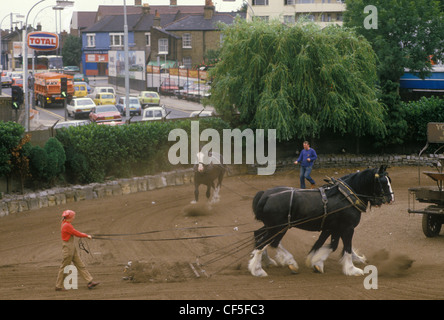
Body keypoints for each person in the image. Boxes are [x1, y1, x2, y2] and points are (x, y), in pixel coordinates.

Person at [55, 210, 99, 291]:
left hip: (71, 247)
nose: (74, 218)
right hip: (68, 248)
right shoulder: (66, 225)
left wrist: (85, 235)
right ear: (69, 218)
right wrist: (86, 236)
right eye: (73, 217)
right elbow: (76, 233)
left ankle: (89, 281)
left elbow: (74, 232)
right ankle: (59, 286)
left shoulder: (66, 223)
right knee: (65, 267)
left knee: (80, 264)